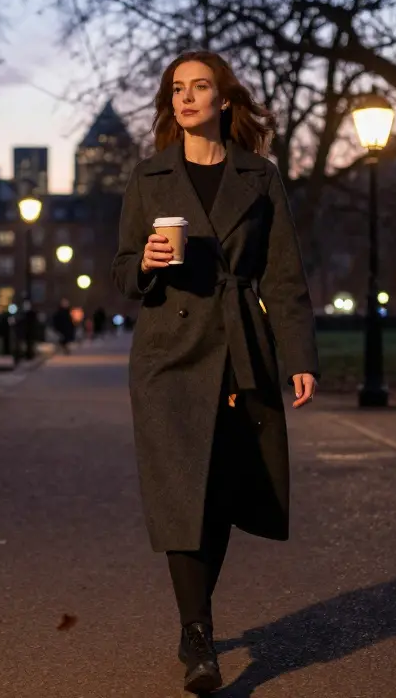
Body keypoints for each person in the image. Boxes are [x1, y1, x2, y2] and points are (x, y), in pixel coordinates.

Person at [110, 50, 318, 694]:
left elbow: (283, 276)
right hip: (167, 355)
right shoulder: (149, 178)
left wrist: (299, 356)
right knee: (181, 489)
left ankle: (196, 623)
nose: (187, 97)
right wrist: (146, 261)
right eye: (178, 88)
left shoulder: (260, 176)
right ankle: (197, 632)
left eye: (200, 87)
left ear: (225, 100)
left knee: (222, 490)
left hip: (238, 346)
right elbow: (122, 275)